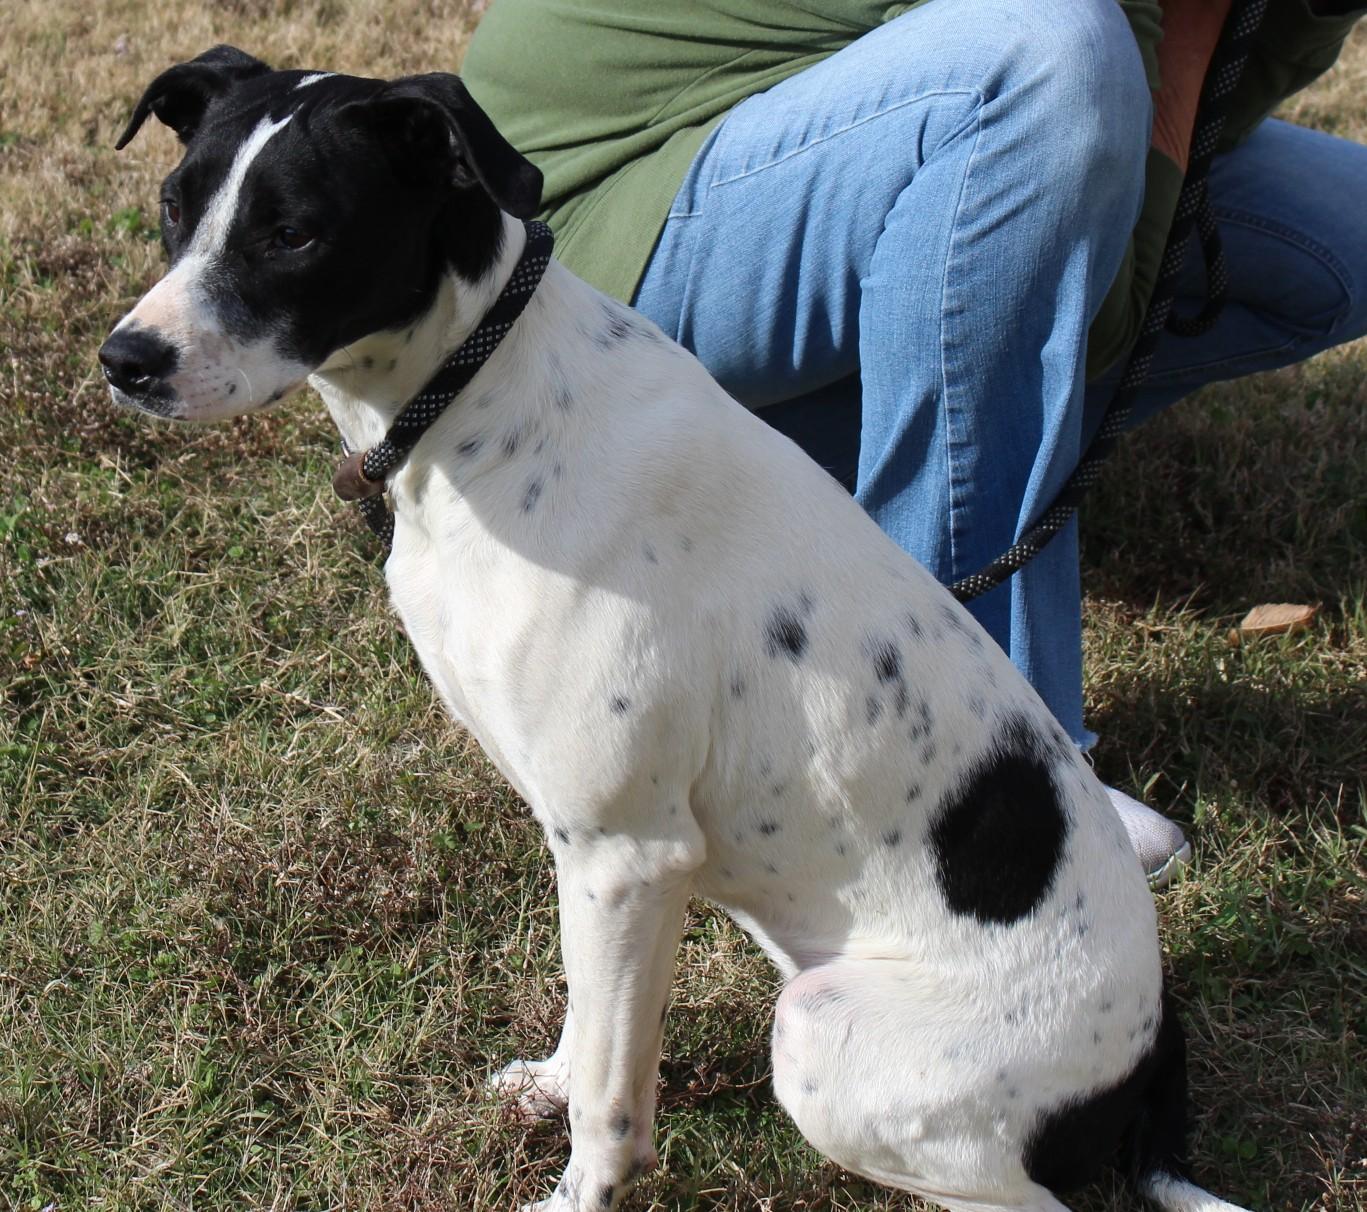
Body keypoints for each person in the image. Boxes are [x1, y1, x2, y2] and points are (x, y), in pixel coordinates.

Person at [461, 0, 1367, 887]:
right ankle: (963, 752)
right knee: (1044, 65)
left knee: (1342, 225)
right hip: (581, 217)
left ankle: (859, 456)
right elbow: (1096, 270)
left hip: (821, 116)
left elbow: (1183, 129)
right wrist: (1195, 28)